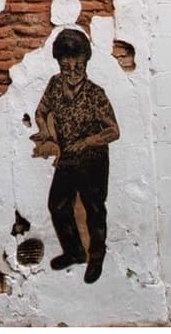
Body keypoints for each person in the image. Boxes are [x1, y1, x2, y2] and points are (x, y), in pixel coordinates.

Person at [31, 28, 119, 284]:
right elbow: (41, 111)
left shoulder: (95, 94)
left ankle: (96, 258)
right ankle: (74, 251)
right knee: (57, 204)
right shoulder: (55, 85)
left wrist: (87, 142)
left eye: (77, 67)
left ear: (85, 63)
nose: (71, 73)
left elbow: (114, 130)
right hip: (69, 155)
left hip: (93, 159)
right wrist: (48, 134)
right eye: (65, 67)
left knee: (94, 209)